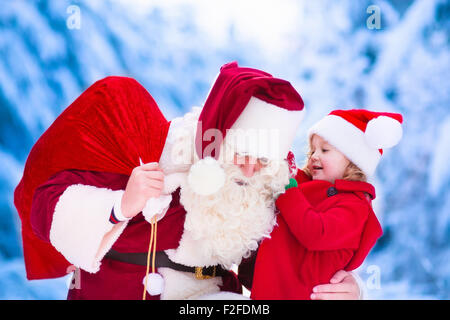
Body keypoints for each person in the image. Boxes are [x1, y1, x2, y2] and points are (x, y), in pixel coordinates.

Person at [14, 62, 362, 299]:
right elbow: (45, 207)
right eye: (244, 153)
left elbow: (291, 264)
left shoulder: (267, 190)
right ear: (220, 137)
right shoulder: (151, 152)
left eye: (263, 159)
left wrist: (344, 287)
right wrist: (120, 205)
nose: (252, 170)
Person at [249, 109, 403, 299]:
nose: (314, 155)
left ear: (353, 161)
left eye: (325, 150)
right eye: (312, 150)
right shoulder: (308, 187)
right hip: (269, 290)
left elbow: (315, 232)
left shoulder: (355, 206)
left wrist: (285, 187)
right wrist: (278, 162)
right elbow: (288, 175)